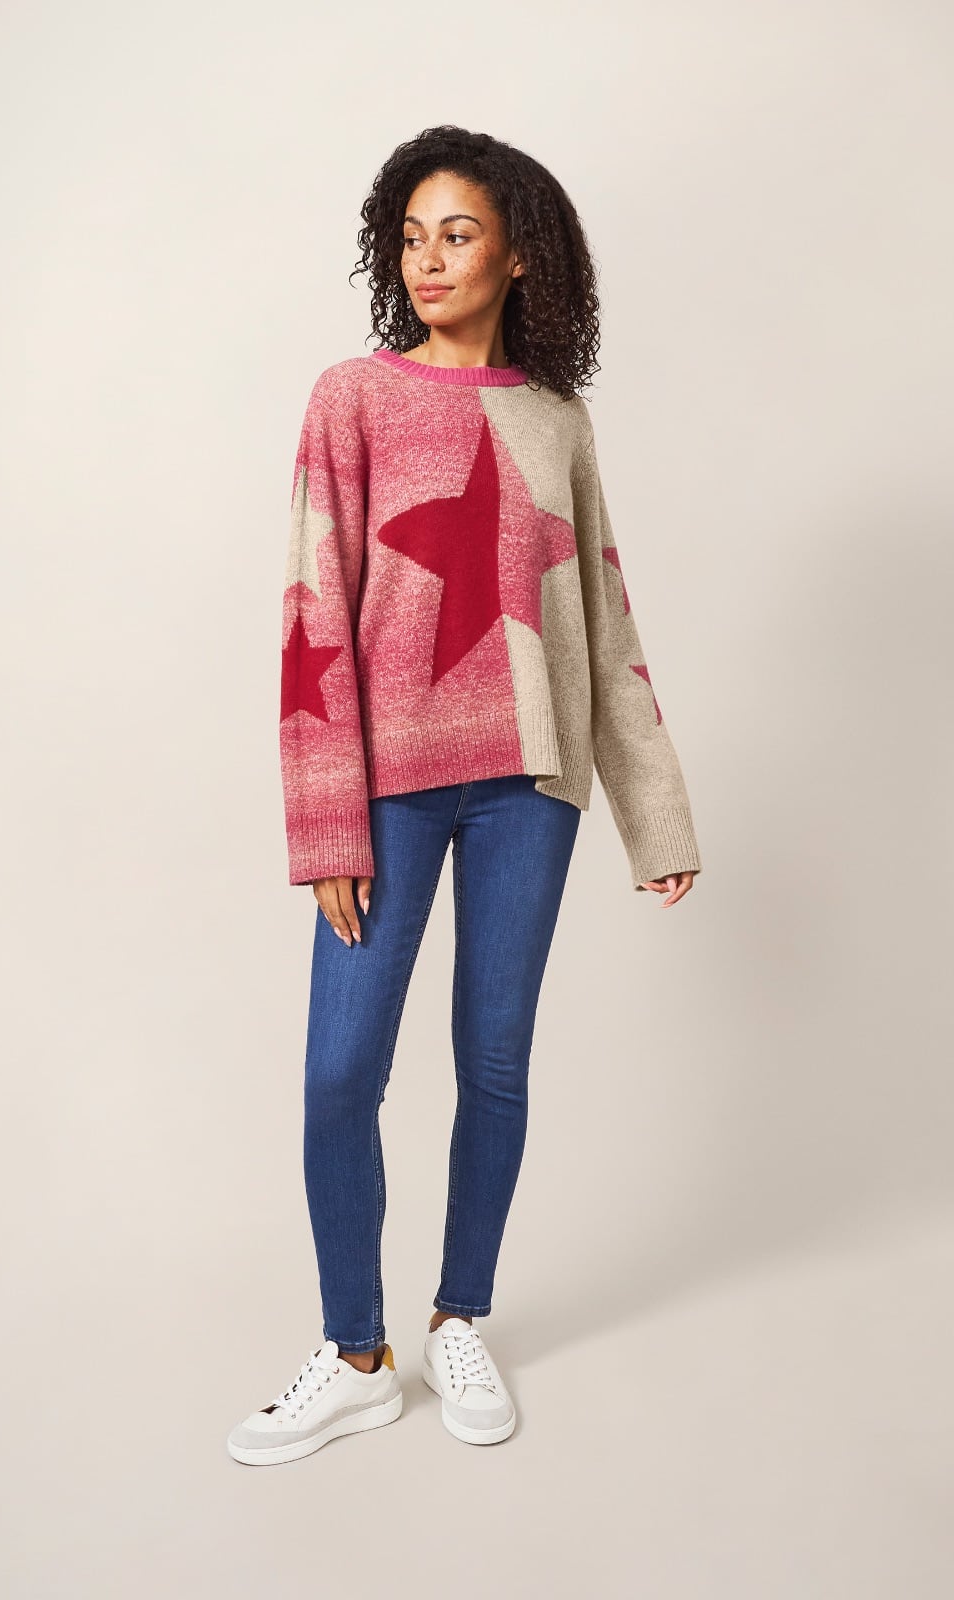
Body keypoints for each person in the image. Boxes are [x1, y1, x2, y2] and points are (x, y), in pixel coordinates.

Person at [227, 124, 703, 1467]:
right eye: (411, 235)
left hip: (529, 789)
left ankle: (458, 1318)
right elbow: (312, 614)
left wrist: (655, 813)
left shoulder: (556, 422)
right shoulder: (351, 399)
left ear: (518, 256)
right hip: (387, 788)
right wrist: (326, 819)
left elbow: (603, 621)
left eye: (459, 235)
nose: (427, 259)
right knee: (340, 1073)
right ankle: (356, 1355)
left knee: (494, 1064)